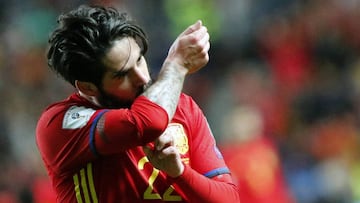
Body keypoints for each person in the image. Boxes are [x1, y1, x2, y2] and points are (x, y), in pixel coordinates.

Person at [35, 4, 240, 203]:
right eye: (123, 74)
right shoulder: (60, 124)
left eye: (140, 59)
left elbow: (229, 199)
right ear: (88, 87)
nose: (142, 77)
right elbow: (149, 122)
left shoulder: (183, 107)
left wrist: (179, 172)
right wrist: (176, 66)